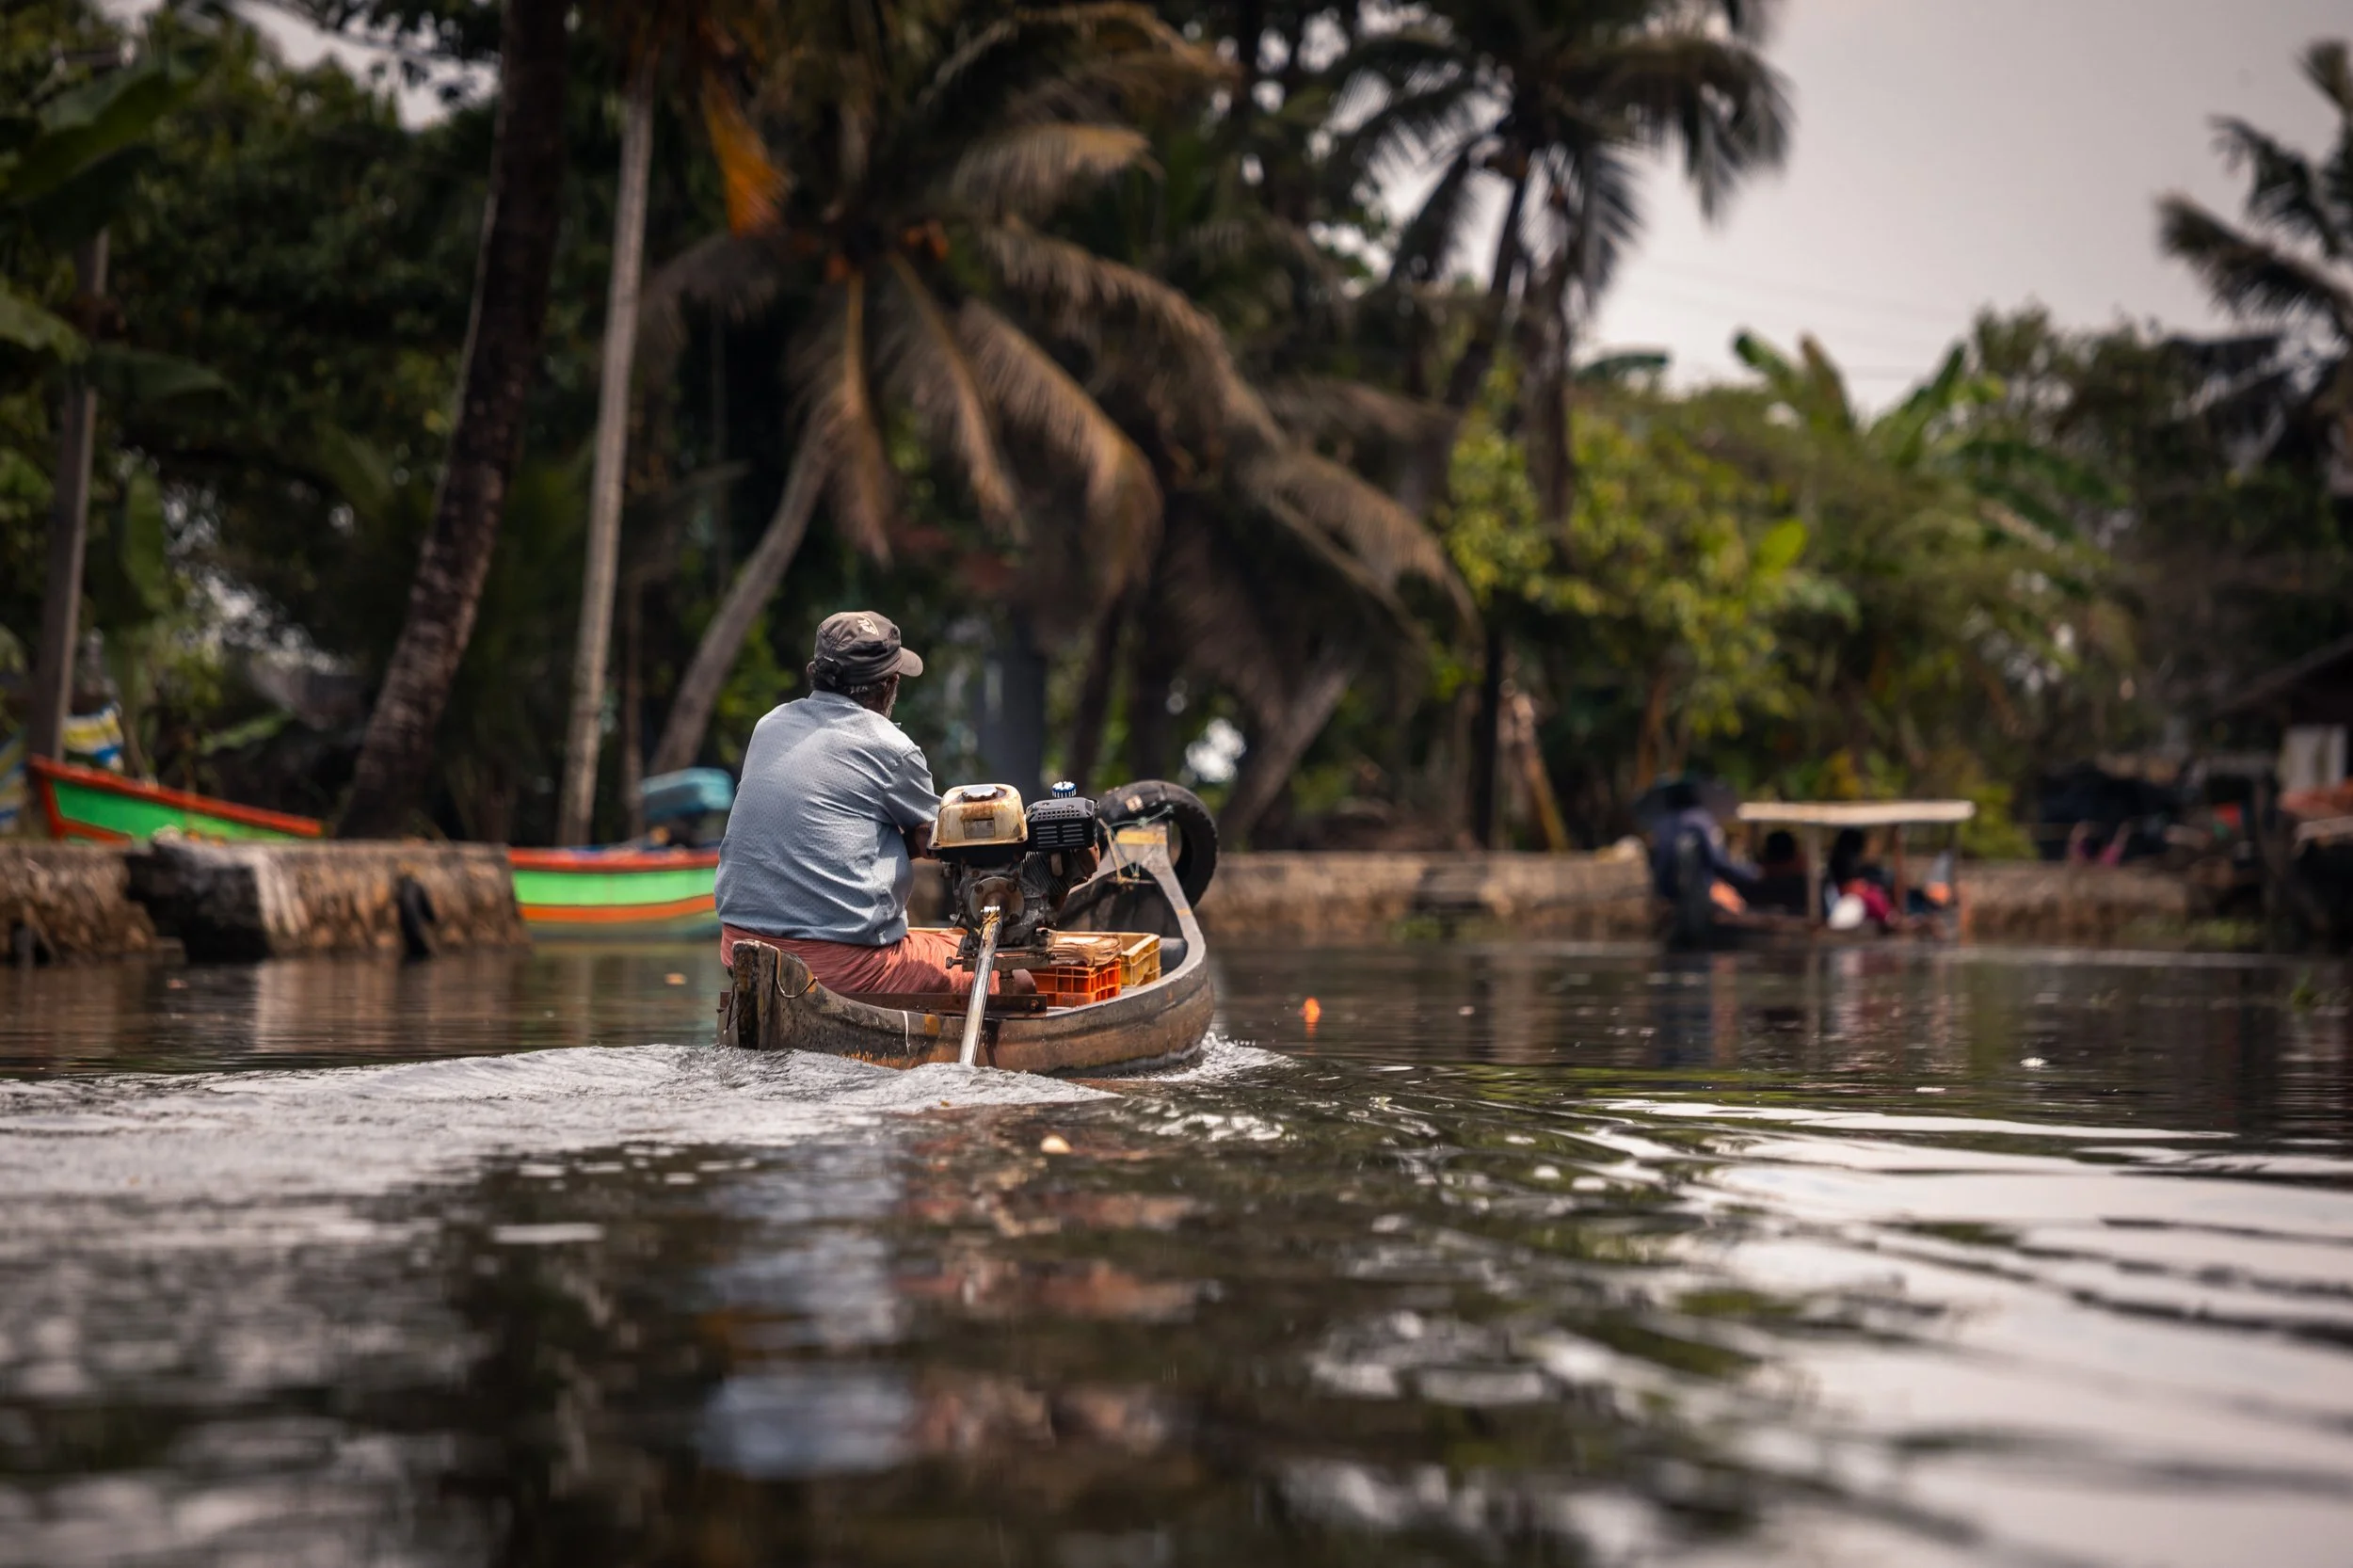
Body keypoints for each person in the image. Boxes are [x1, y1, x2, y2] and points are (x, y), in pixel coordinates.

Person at [716, 611, 1016, 996]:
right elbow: (946, 836)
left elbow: (829, 831)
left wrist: (907, 844)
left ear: (815, 671)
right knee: (1011, 980)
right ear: (889, 685)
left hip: (740, 951)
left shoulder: (769, 725)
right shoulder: (892, 748)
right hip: (840, 966)